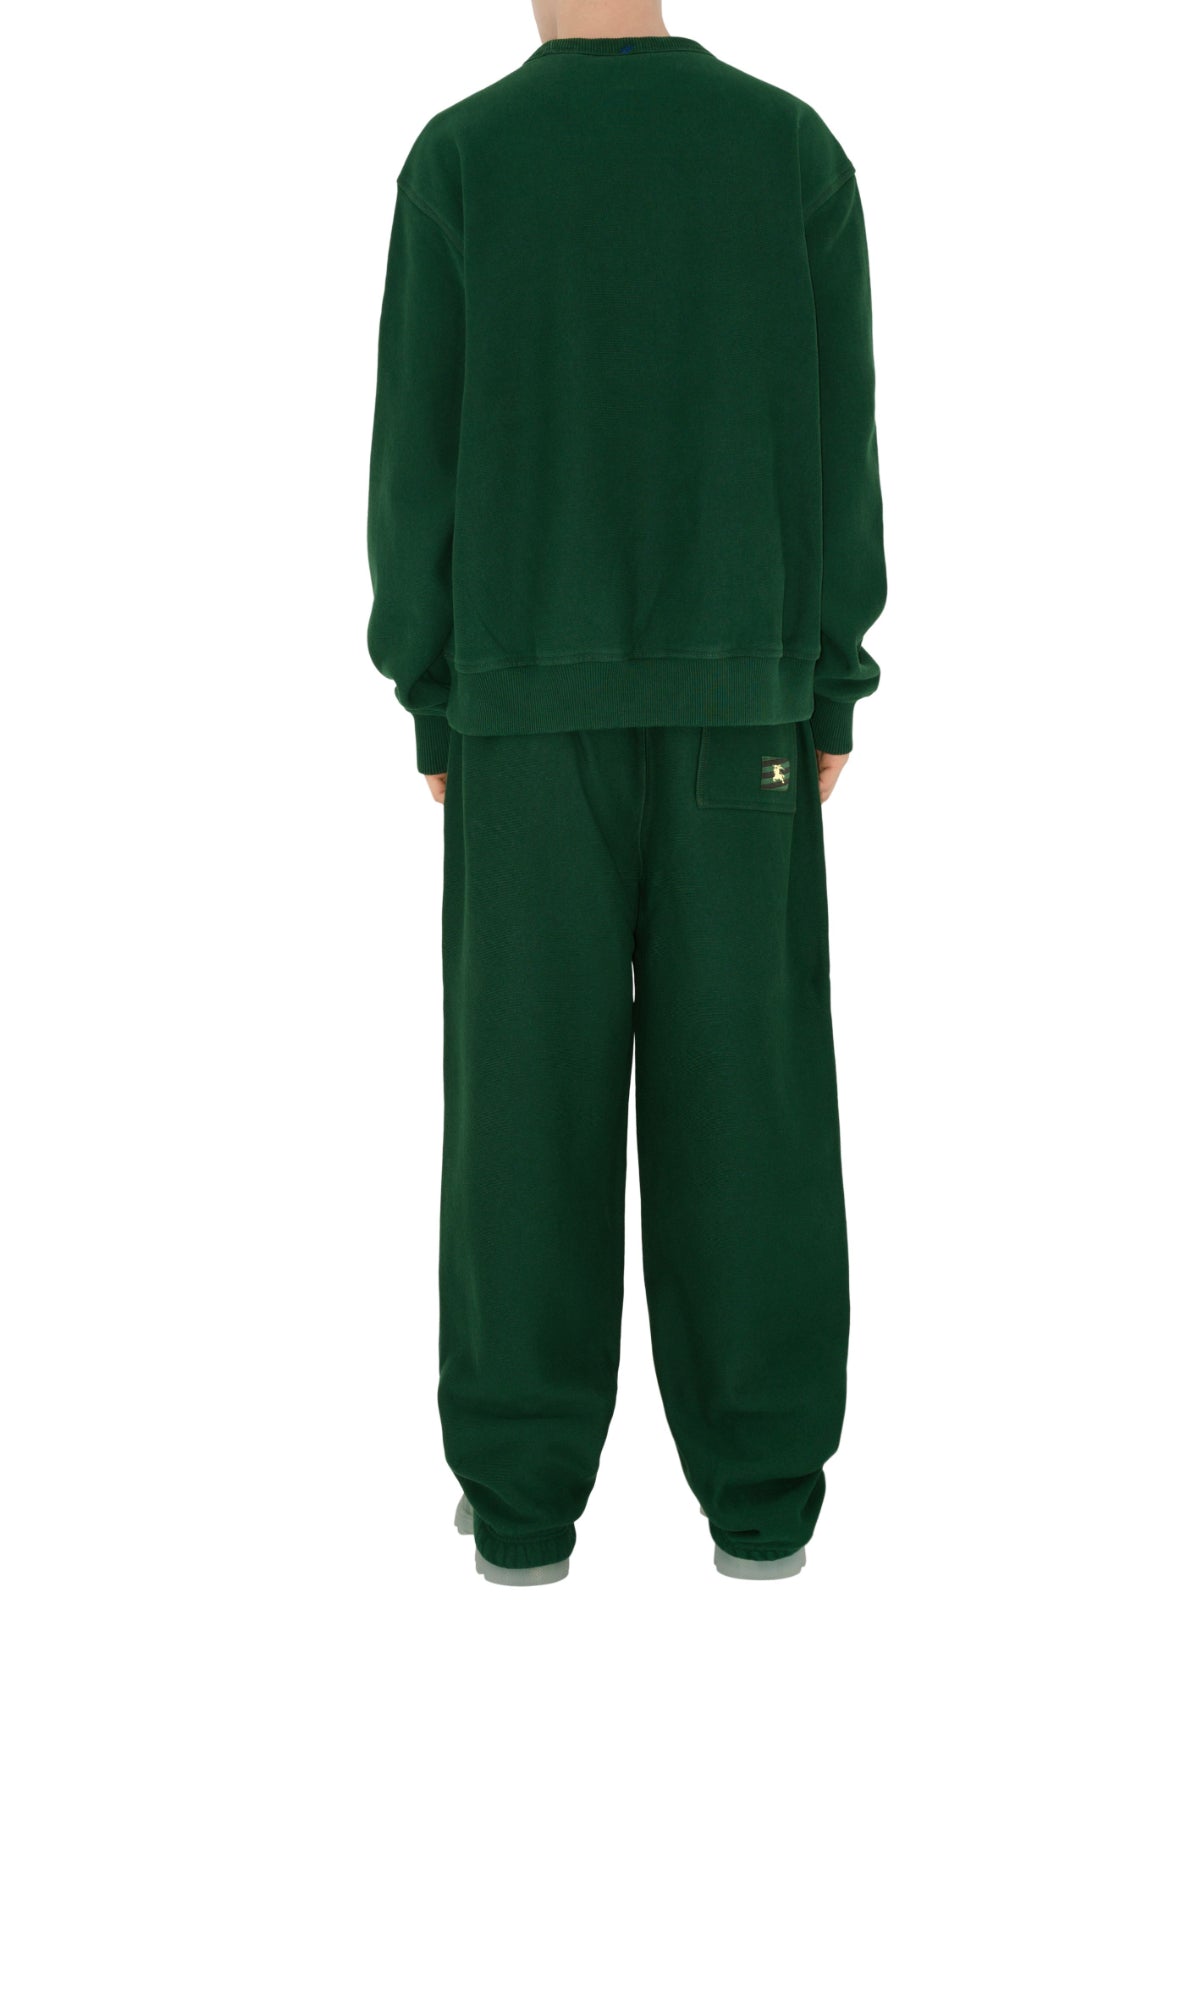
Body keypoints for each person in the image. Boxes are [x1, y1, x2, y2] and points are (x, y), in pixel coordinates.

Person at [366, 2, 885, 1584]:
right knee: (754, 1102)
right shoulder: (788, 151)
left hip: (524, 723)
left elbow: (414, 459)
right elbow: (841, 440)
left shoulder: (465, 161)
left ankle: (522, 1506)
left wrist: (433, 691)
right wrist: (827, 679)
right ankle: (764, 1503)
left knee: (522, 1110)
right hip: (745, 716)